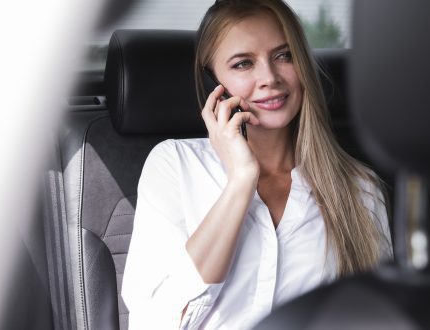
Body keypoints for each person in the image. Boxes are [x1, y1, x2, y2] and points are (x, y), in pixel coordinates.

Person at [121, 0, 392, 329]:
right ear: (213, 84)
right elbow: (153, 323)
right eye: (242, 64)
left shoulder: (360, 188)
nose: (269, 78)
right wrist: (240, 182)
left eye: (284, 55)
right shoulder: (175, 166)